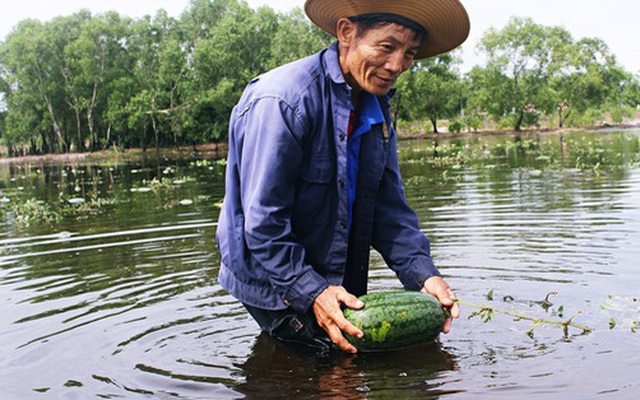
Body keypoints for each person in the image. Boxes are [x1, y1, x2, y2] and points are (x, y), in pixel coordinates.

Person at [216, 0, 470, 353]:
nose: (397, 65)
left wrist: (424, 275)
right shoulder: (283, 101)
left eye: (409, 53)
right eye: (387, 46)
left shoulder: (376, 107)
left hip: (331, 263)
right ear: (347, 32)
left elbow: (389, 211)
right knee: (330, 361)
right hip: (272, 276)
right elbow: (263, 224)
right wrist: (314, 292)